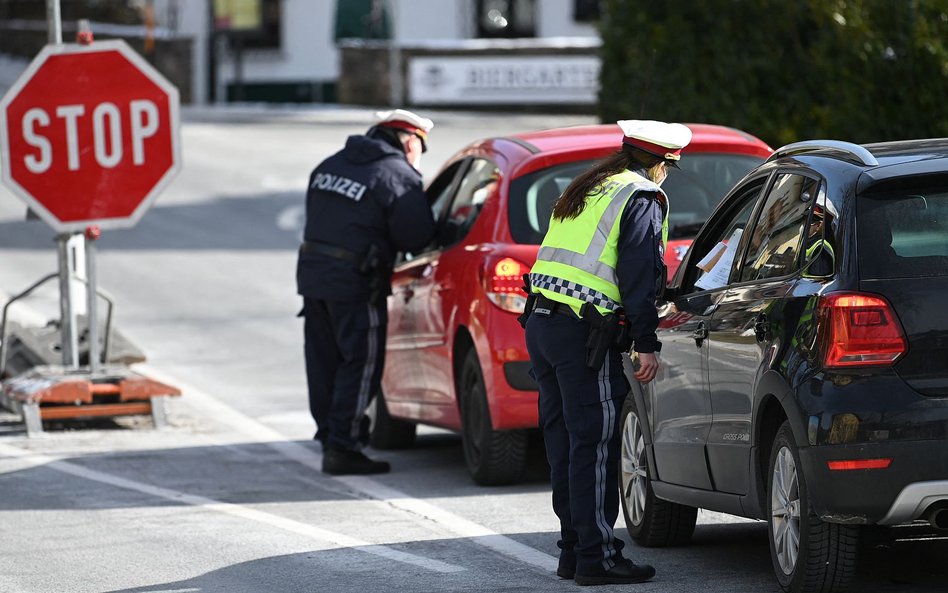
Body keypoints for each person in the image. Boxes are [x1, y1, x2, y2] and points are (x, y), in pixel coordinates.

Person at [522, 119, 691, 585]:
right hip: (584, 334)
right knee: (594, 446)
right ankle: (598, 557)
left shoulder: (588, 186)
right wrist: (646, 341)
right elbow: (639, 274)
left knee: (564, 445)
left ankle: (574, 551)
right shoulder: (640, 195)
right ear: (661, 162)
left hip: (542, 323)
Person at [297, 109, 437, 475]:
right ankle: (343, 447)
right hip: (358, 282)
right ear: (410, 141)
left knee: (323, 362)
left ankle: (330, 436)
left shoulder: (329, 165)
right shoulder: (397, 175)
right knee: (359, 364)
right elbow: (416, 237)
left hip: (313, 279)